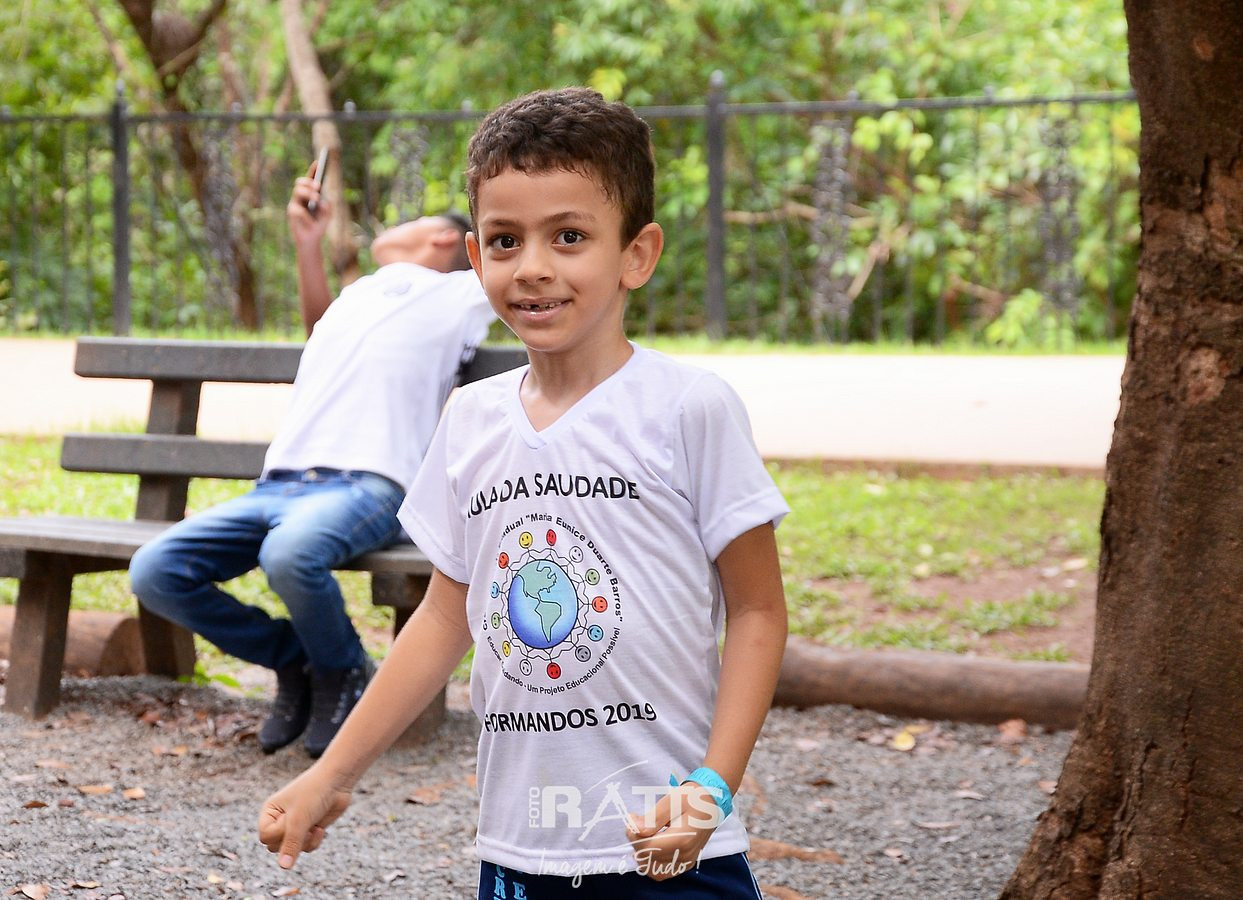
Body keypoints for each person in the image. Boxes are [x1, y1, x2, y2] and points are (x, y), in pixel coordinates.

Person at [257, 88, 790, 898]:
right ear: (475, 259)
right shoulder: (470, 420)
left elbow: (756, 610)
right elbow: (445, 618)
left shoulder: (688, 408)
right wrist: (331, 775)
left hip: (671, 845)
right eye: (506, 240)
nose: (533, 266)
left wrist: (711, 786)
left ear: (636, 254)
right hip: (518, 851)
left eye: (568, 236)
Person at [129, 167, 495, 758]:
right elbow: (317, 331)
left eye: (414, 217)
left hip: (370, 484)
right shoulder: (361, 293)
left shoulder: (463, 293)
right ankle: (300, 659)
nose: (390, 225)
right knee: (155, 570)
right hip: (279, 485)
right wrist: (308, 243)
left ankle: (343, 671)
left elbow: (529, 273)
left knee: (289, 554)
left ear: (447, 238)